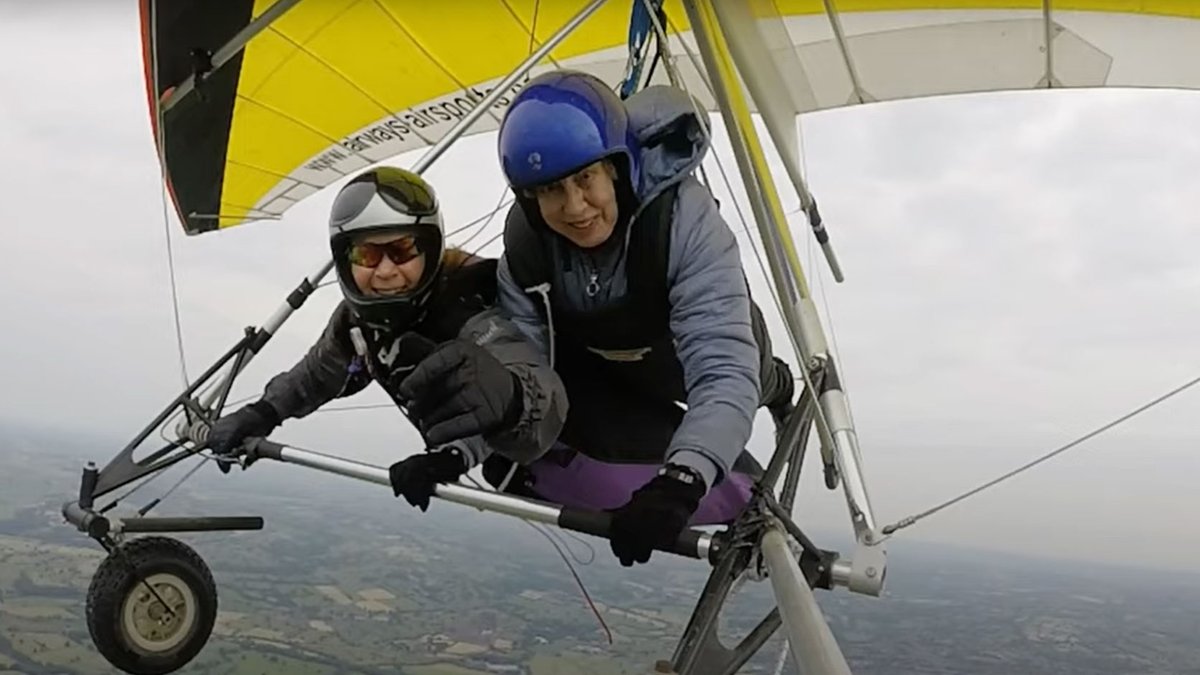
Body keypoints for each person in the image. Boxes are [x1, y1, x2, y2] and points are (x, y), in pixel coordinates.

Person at [489, 70, 796, 567]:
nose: (574, 207)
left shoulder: (684, 223)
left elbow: (722, 369)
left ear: (616, 167)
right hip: (623, 366)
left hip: (714, 355)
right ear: (529, 197)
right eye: (550, 190)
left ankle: (781, 387)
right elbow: (524, 367)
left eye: (585, 178)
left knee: (754, 379)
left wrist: (682, 481)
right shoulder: (525, 254)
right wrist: (485, 439)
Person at [205, 166, 567, 511]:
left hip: (557, 449)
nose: (386, 270)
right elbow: (316, 375)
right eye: (367, 254)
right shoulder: (358, 320)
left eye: (403, 250)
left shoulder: (468, 307)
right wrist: (262, 413)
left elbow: (511, 385)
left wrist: (453, 457)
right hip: (508, 466)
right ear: (345, 260)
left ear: (430, 249)